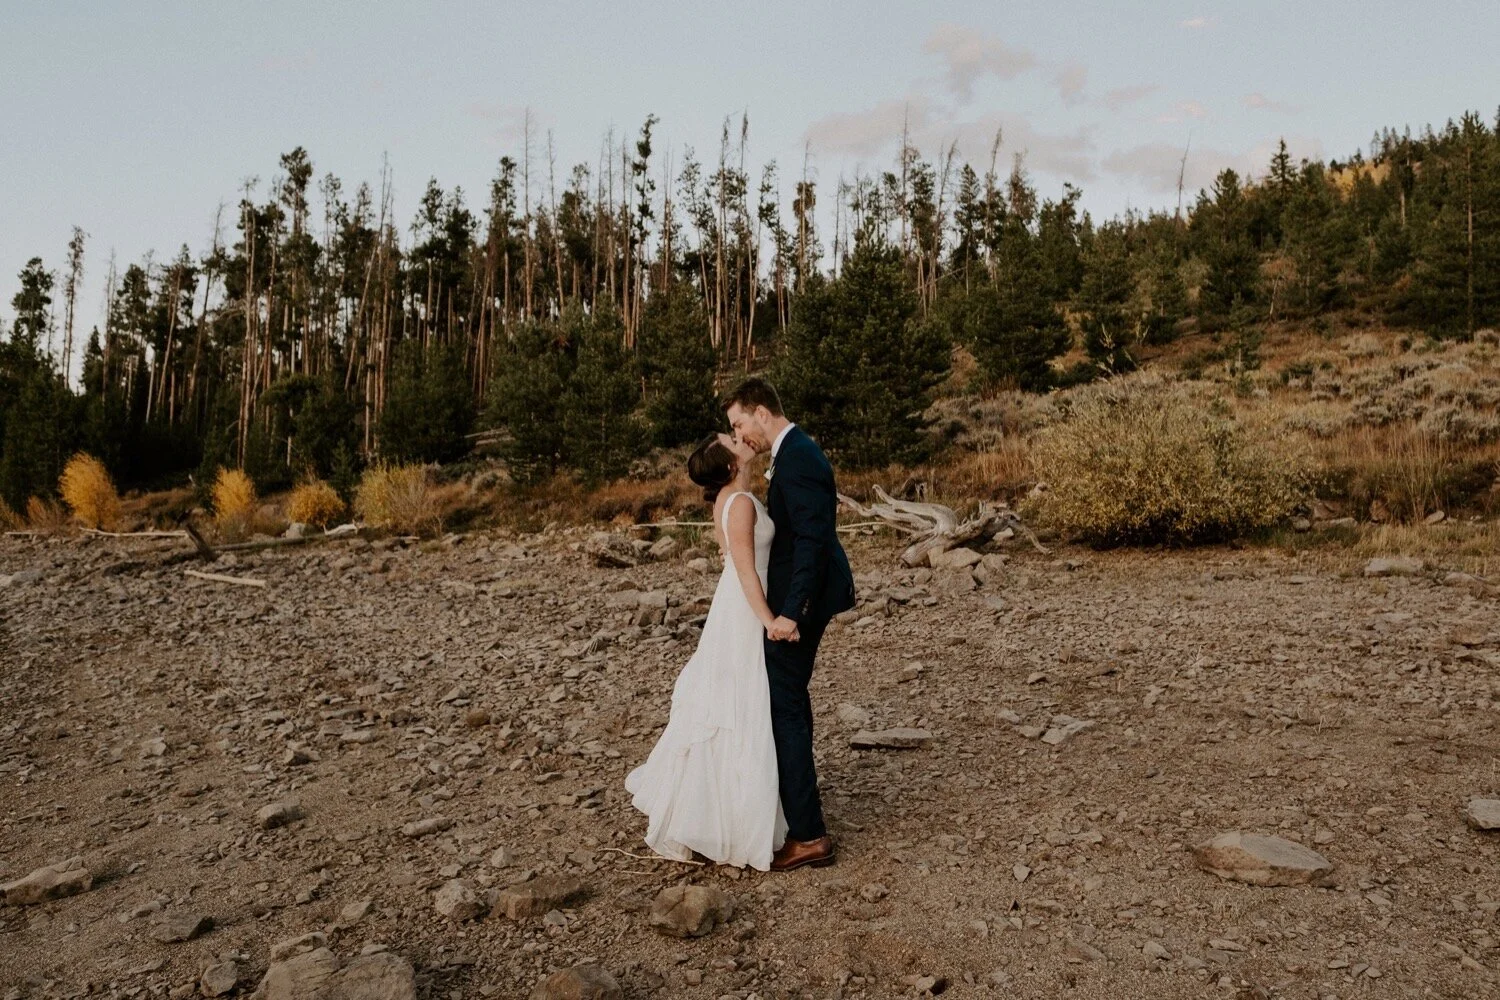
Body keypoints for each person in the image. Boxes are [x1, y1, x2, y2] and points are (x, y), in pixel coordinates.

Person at [624, 432, 788, 870]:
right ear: (731, 465)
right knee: (739, 703)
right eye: (732, 441)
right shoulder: (740, 503)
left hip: (735, 601)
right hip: (745, 606)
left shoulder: (728, 500)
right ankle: (731, 819)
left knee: (729, 700)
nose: (739, 438)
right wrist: (769, 620)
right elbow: (746, 571)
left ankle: (722, 810)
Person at [723, 377, 856, 872]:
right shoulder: (792, 452)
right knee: (790, 701)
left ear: (761, 411)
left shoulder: (798, 457)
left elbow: (812, 542)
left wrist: (790, 613)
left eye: (740, 423)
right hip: (800, 599)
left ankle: (808, 835)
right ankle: (799, 813)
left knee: (784, 706)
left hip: (802, 605)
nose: (740, 434)